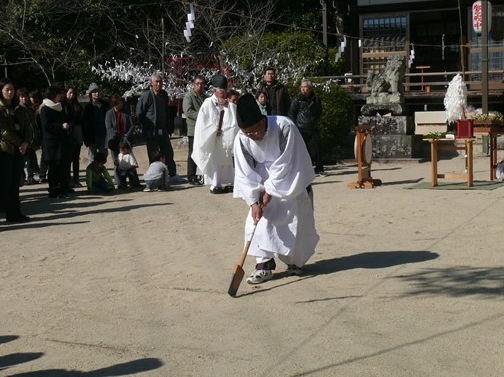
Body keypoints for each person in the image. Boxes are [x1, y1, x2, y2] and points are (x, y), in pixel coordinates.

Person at [233, 93, 319, 284]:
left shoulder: (283, 126)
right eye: (248, 133)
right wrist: (253, 200)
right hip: (262, 183)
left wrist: (270, 190)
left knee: (293, 220)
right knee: (256, 221)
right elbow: (244, 172)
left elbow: (286, 162)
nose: (253, 136)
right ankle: (263, 265)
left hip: (289, 182)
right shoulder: (241, 138)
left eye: (255, 130)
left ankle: (295, 262)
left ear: (263, 120)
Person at [192, 73, 238, 194]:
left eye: (225, 90)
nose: (223, 92)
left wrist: (229, 105)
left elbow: (234, 120)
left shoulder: (230, 104)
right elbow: (203, 124)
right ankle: (215, 184)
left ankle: (231, 182)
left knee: (228, 161)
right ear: (214, 90)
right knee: (216, 162)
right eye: (220, 90)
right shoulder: (208, 104)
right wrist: (215, 130)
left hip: (227, 138)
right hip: (214, 139)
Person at [136, 73, 184, 183]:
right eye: (156, 82)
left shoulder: (164, 95)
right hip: (151, 131)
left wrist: (169, 127)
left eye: (160, 82)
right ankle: (155, 176)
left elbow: (167, 112)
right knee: (154, 154)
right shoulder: (147, 96)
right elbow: (140, 113)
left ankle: (171, 174)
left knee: (168, 151)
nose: (158, 84)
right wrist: (145, 127)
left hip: (163, 129)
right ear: (151, 83)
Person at [0, 78, 33, 222]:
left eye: (12, 89)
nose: (10, 92)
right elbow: (3, 132)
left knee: (15, 183)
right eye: (7, 89)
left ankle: (16, 212)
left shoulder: (17, 108)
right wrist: (20, 142)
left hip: (19, 150)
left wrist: (26, 142)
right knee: (6, 184)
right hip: (6, 150)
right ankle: (10, 213)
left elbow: (28, 126)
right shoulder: (1, 109)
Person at [40, 84, 74, 198]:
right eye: (59, 94)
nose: (61, 96)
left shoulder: (59, 107)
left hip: (61, 141)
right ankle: (53, 189)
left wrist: (67, 126)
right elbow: (46, 126)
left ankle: (63, 187)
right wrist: (60, 126)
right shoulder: (45, 108)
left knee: (62, 165)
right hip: (51, 143)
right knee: (53, 167)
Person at [288, 79, 326, 177]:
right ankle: (303, 170)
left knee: (317, 149)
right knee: (302, 151)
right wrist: (295, 126)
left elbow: (319, 112)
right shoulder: (297, 100)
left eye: (305, 87)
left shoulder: (316, 100)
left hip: (313, 127)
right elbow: (291, 114)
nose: (303, 89)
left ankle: (319, 169)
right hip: (300, 128)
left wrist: (314, 121)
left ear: (310, 88)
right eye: (302, 87)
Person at [182, 75, 207, 185]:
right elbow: (188, 111)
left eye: (202, 84)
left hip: (205, 130)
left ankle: (200, 175)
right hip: (193, 129)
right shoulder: (189, 96)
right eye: (198, 83)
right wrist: (202, 116)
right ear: (194, 84)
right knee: (193, 152)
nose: (200, 86)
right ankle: (191, 176)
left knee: (203, 153)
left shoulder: (205, 97)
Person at [105, 93, 134, 184]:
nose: (120, 105)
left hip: (126, 140)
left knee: (128, 161)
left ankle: (133, 181)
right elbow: (109, 128)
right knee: (117, 162)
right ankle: (120, 182)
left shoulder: (126, 111)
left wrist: (126, 135)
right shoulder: (109, 113)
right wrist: (119, 135)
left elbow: (132, 124)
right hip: (114, 141)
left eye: (120, 103)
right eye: (118, 103)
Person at [17, 87, 39, 185]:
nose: (24, 99)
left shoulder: (29, 108)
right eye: (22, 97)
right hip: (23, 138)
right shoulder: (18, 109)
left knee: (30, 158)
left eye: (25, 97)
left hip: (30, 137)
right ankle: (22, 177)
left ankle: (30, 176)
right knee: (22, 160)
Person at [83, 82, 109, 162]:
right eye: (94, 92)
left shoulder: (105, 104)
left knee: (104, 154)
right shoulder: (88, 107)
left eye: (97, 91)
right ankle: (90, 174)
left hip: (103, 134)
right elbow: (84, 123)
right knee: (92, 157)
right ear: (91, 94)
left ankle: (100, 172)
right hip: (92, 136)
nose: (96, 93)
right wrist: (86, 138)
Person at [65, 87, 84, 187]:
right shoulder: (63, 105)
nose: (71, 95)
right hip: (68, 133)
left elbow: (80, 119)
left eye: (73, 93)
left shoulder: (78, 106)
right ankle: (68, 179)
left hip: (77, 133)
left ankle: (76, 178)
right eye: (69, 93)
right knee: (68, 158)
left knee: (76, 158)